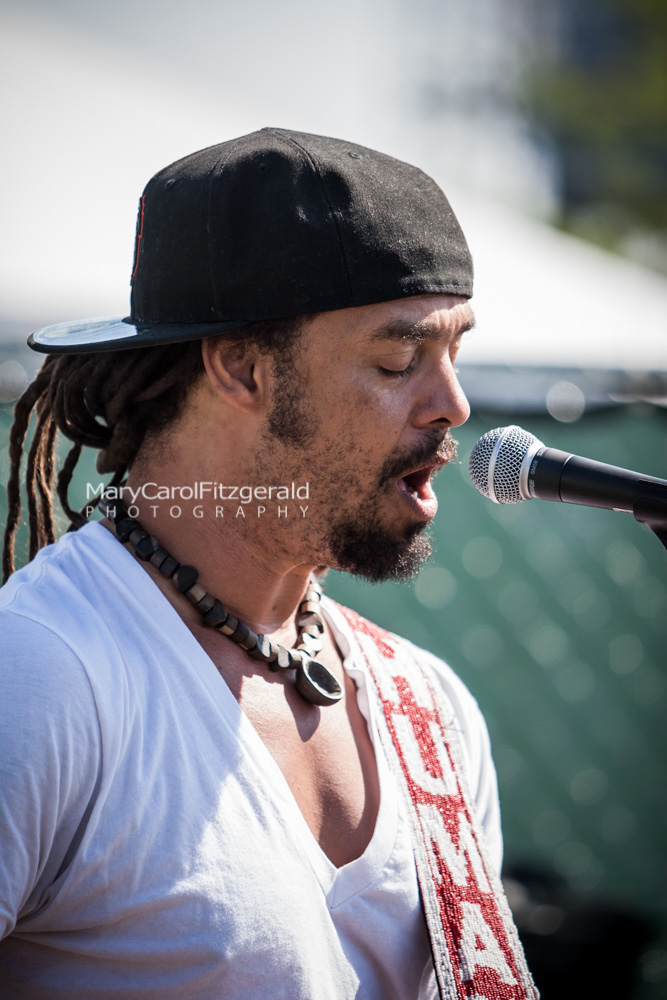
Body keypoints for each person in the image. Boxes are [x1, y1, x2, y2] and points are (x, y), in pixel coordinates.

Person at [0, 128, 537, 999]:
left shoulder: (429, 707)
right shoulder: (44, 675)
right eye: (399, 359)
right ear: (243, 368)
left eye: (455, 351)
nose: (453, 406)